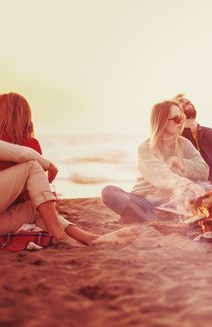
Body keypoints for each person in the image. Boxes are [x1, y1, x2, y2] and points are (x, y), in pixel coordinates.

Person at [0, 92, 139, 247]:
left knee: (36, 208)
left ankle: (90, 238)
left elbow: (31, 199)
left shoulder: (28, 144)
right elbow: (24, 164)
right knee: (33, 173)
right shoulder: (28, 144)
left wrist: (43, 201)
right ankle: (62, 236)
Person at [102, 100, 210, 223]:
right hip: (144, 201)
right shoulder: (145, 148)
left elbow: (204, 170)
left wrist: (182, 164)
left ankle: (147, 216)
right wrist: (187, 184)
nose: (181, 122)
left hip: (172, 201)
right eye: (176, 118)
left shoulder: (184, 143)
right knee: (108, 192)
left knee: (206, 186)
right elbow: (162, 174)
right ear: (162, 122)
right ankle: (152, 217)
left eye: (182, 116)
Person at [172, 94, 212, 182]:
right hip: (195, 191)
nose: (187, 101)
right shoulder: (175, 140)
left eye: (188, 100)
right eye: (181, 101)